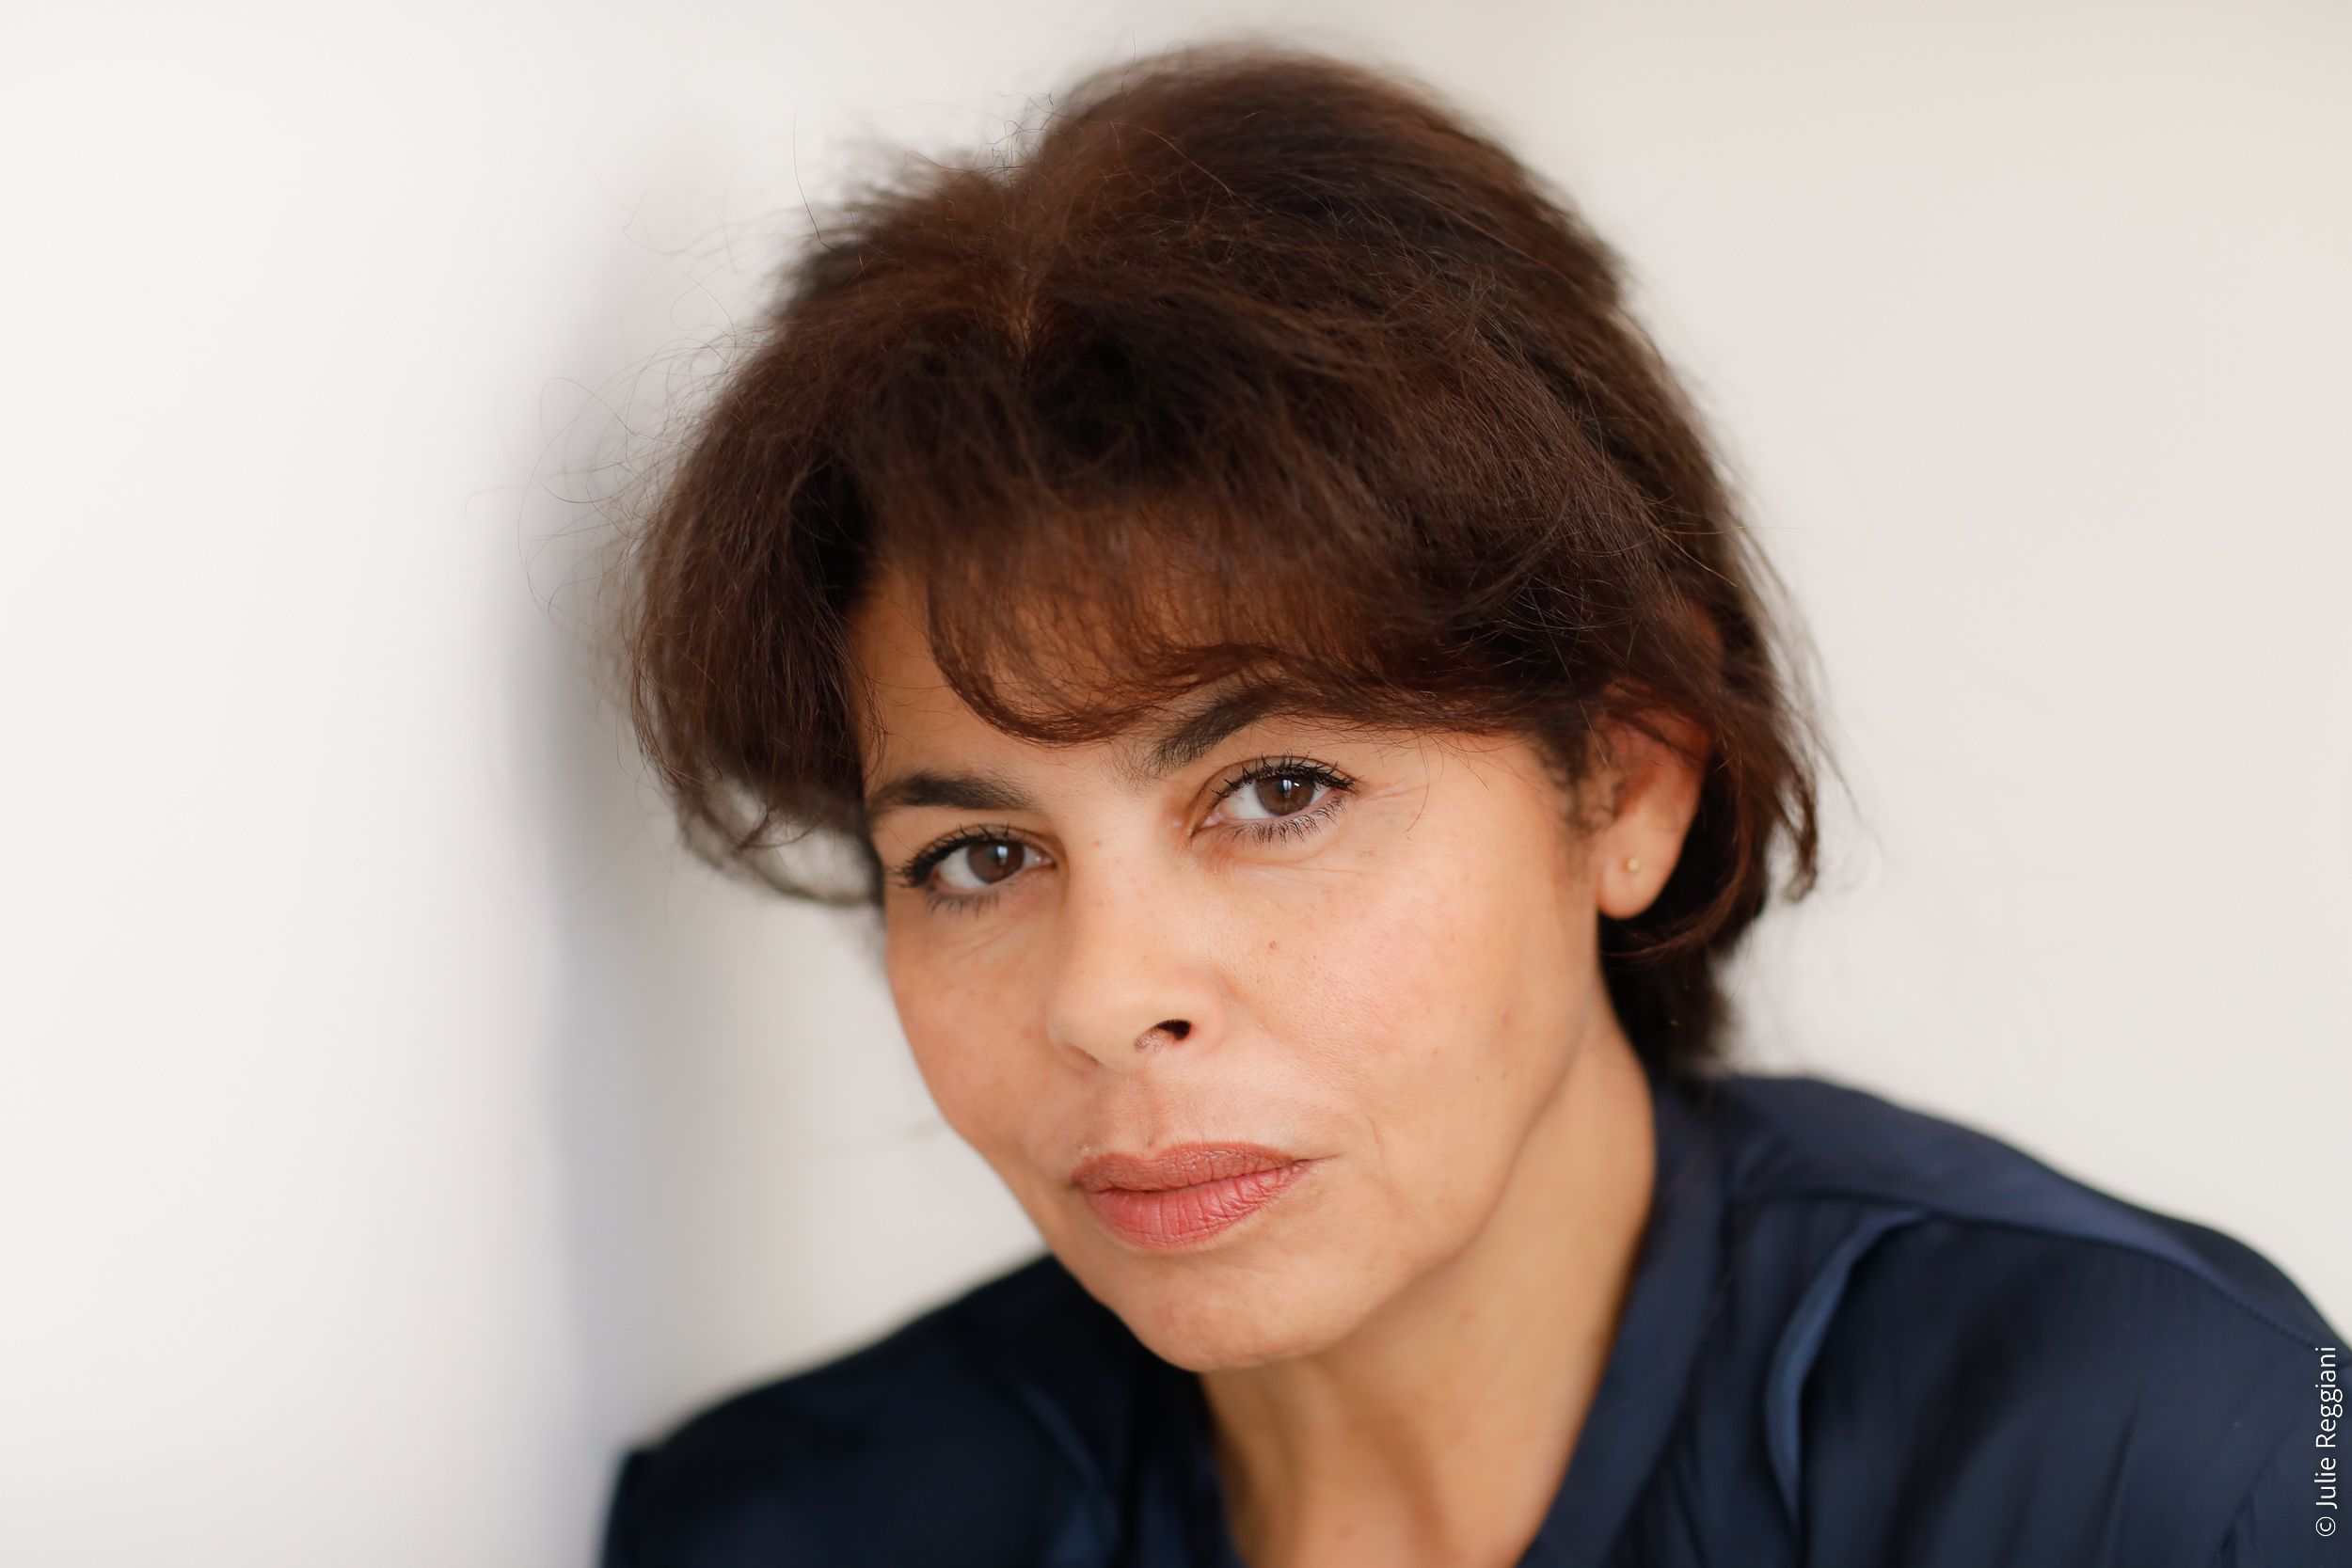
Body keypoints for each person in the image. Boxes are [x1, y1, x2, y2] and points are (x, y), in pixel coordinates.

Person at [595, 39, 2341, 1568]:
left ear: (1630, 779)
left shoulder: (2162, 1459)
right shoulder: (792, 1528)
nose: (1105, 997)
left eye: (1278, 791)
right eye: (980, 855)